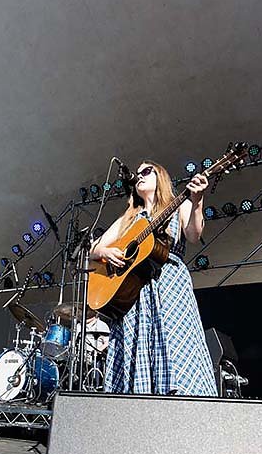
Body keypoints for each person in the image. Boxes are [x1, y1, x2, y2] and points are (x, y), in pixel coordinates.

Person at [91, 161, 217, 396]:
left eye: (146, 171)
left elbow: (193, 234)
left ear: (161, 176)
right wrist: (106, 252)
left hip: (168, 285)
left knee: (174, 342)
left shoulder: (180, 204)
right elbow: (94, 250)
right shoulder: (128, 219)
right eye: (137, 174)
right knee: (134, 343)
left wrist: (198, 201)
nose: (139, 175)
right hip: (133, 294)